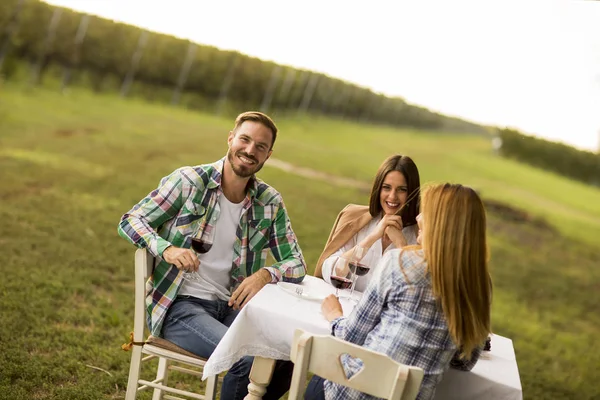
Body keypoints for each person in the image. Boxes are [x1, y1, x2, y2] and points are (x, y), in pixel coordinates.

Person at [118, 111, 307, 400]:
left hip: (234, 307)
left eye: (260, 146)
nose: (250, 150)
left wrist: (266, 274)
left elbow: (297, 262)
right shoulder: (189, 181)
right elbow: (131, 220)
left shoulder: (270, 202)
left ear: (268, 155)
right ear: (231, 139)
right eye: (245, 140)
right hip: (180, 307)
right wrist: (166, 248)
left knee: (288, 355)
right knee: (244, 360)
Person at [306, 183, 493, 400]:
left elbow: (350, 336)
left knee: (319, 380)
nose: (420, 218)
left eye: (428, 212)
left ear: (444, 225)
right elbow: (465, 361)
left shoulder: (401, 263)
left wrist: (334, 316)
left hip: (354, 394)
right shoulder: (481, 284)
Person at [314, 154, 420, 292]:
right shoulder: (358, 221)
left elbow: (418, 290)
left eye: (402, 189)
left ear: (412, 192)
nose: (392, 196)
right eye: (386, 187)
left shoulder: (420, 234)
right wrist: (372, 237)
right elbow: (333, 271)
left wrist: (401, 245)